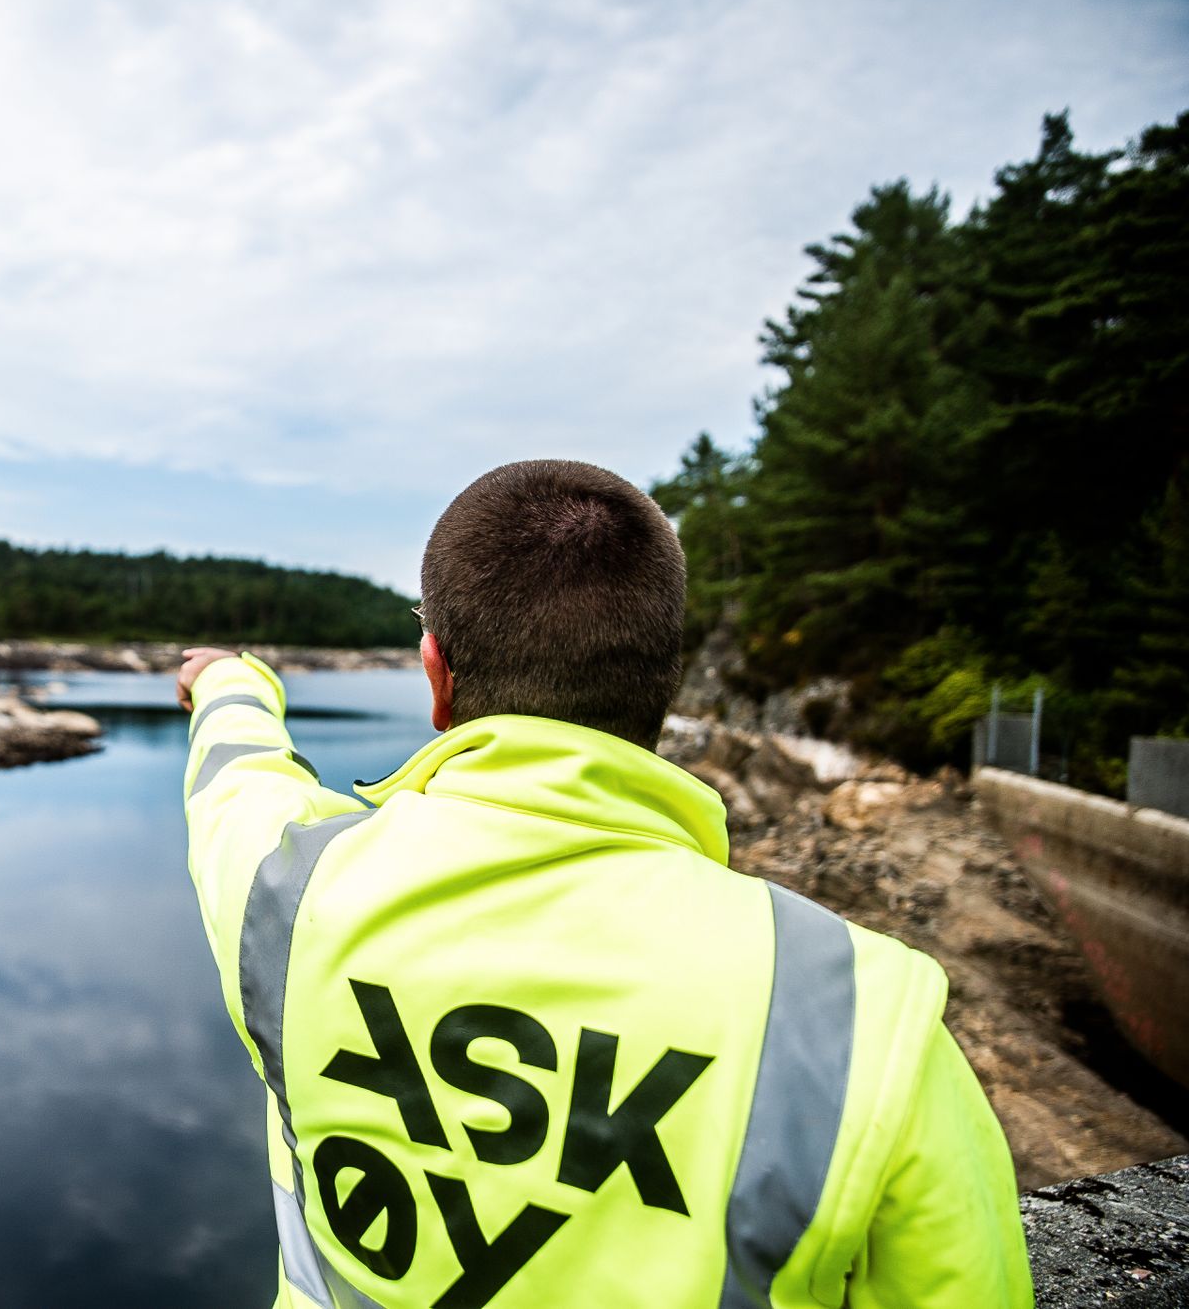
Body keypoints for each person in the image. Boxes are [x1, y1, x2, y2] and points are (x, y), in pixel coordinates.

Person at [176, 460, 1032, 1309]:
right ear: (663, 682)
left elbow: (239, 774)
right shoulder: (864, 1020)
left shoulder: (289, 894)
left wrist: (227, 678)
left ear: (436, 677)